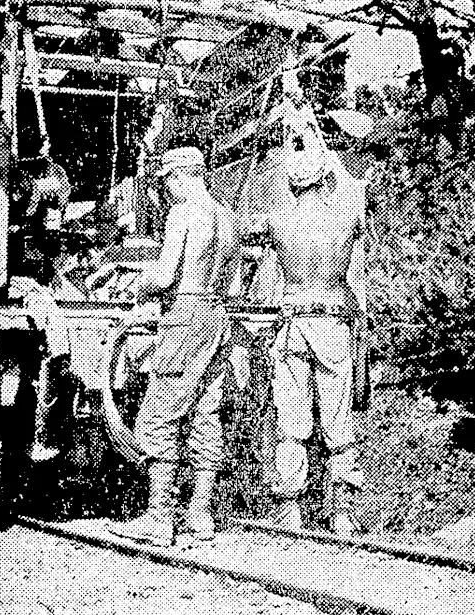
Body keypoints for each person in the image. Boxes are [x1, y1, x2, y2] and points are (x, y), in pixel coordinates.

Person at [107, 146, 238, 547]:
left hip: (186, 315)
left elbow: (165, 276)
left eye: (166, 182)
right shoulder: (227, 216)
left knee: (156, 418)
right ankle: (200, 517)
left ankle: (160, 519)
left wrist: (131, 283)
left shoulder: (183, 213)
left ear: (180, 177)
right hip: (218, 317)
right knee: (204, 415)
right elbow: (232, 283)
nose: (165, 190)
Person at [240, 130, 366, 535]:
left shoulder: (277, 221)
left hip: (292, 325)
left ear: (293, 182)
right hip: (333, 323)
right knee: (338, 419)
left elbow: (245, 232)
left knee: (291, 422)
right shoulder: (348, 217)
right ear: (324, 175)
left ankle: (290, 512)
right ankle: (343, 515)